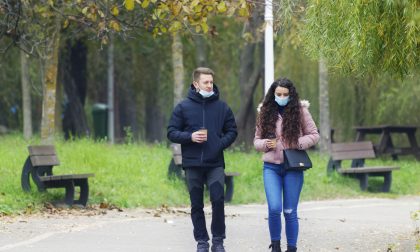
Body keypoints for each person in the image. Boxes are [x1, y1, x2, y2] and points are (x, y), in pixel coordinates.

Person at [167, 67, 238, 252]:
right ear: (196, 84)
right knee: (196, 204)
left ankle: (218, 241)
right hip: (192, 163)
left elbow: (232, 130)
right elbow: (171, 132)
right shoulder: (183, 107)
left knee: (218, 199)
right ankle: (202, 241)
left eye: (211, 82)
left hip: (215, 163)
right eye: (205, 82)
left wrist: (219, 144)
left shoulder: (222, 107)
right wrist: (190, 137)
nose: (209, 85)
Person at [254, 78, 319, 252]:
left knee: (290, 211)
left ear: (291, 95)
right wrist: (266, 144)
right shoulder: (265, 112)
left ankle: (292, 248)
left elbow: (314, 134)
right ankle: (275, 246)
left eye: (285, 95)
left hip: (293, 167)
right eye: (278, 94)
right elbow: (256, 141)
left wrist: (297, 143)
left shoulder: (301, 111)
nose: (282, 97)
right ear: (273, 94)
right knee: (274, 208)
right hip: (271, 168)